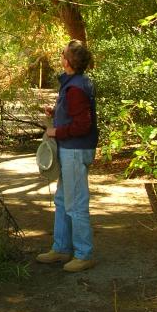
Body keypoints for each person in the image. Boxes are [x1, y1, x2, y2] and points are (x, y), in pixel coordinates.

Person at [36, 40, 98, 272]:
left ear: (69, 61)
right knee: (62, 200)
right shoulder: (73, 84)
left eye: (63, 54)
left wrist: (55, 130)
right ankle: (61, 248)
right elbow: (76, 115)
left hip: (74, 150)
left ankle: (84, 254)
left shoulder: (75, 88)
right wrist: (57, 113)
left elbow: (83, 125)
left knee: (75, 203)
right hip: (71, 149)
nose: (60, 57)